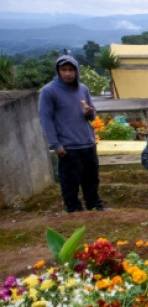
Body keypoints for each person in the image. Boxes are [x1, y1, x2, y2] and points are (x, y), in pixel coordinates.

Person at [38, 54, 105, 212]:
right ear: (58, 71)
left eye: (71, 70)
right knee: (70, 182)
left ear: (76, 71)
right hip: (68, 146)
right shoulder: (49, 91)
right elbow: (46, 119)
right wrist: (55, 144)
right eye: (64, 70)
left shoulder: (83, 89)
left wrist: (89, 112)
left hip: (87, 142)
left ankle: (94, 206)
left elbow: (93, 116)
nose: (67, 73)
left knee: (91, 179)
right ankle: (74, 210)